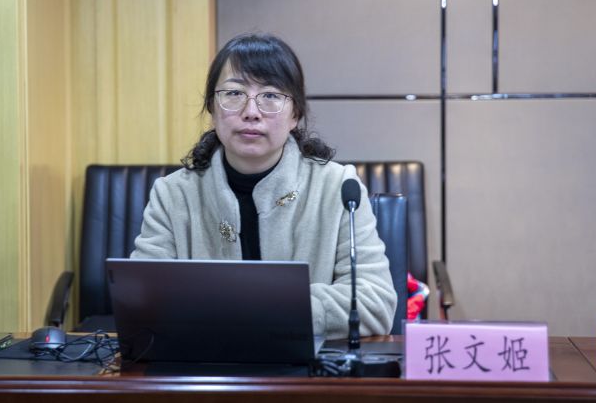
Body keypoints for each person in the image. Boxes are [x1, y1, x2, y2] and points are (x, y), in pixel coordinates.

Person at [131, 33, 397, 339]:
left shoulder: (338, 187)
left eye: (270, 95)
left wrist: (264, 307)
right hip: (205, 365)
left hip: (306, 365)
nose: (251, 112)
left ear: (295, 114)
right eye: (234, 93)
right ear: (212, 109)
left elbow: (375, 303)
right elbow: (142, 299)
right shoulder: (173, 194)